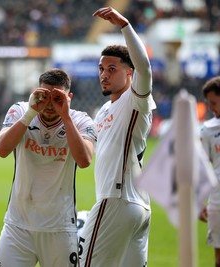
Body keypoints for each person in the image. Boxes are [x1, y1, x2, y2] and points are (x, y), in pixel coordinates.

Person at [78, 7, 156, 267]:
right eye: (101, 68)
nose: (104, 74)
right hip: (137, 207)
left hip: (116, 200)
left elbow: (144, 67)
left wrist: (124, 25)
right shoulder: (104, 110)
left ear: (129, 74)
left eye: (112, 68)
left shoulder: (134, 100)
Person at [0, 68, 96, 267]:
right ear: (36, 92)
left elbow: (84, 160)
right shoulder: (21, 110)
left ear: (69, 97)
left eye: (57, 97)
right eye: (45, 95)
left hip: (60, 229)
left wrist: (65, 117)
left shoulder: (80, 120)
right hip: (18, 226)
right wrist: (32, 112)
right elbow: (1, 149)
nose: (50, 104)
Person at [199, 76, 220, 267]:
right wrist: (199, 202)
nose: (211, 107)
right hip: (217, 201)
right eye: (209, 103)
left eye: (214, 102)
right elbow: (202, 168)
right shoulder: (207, 130)